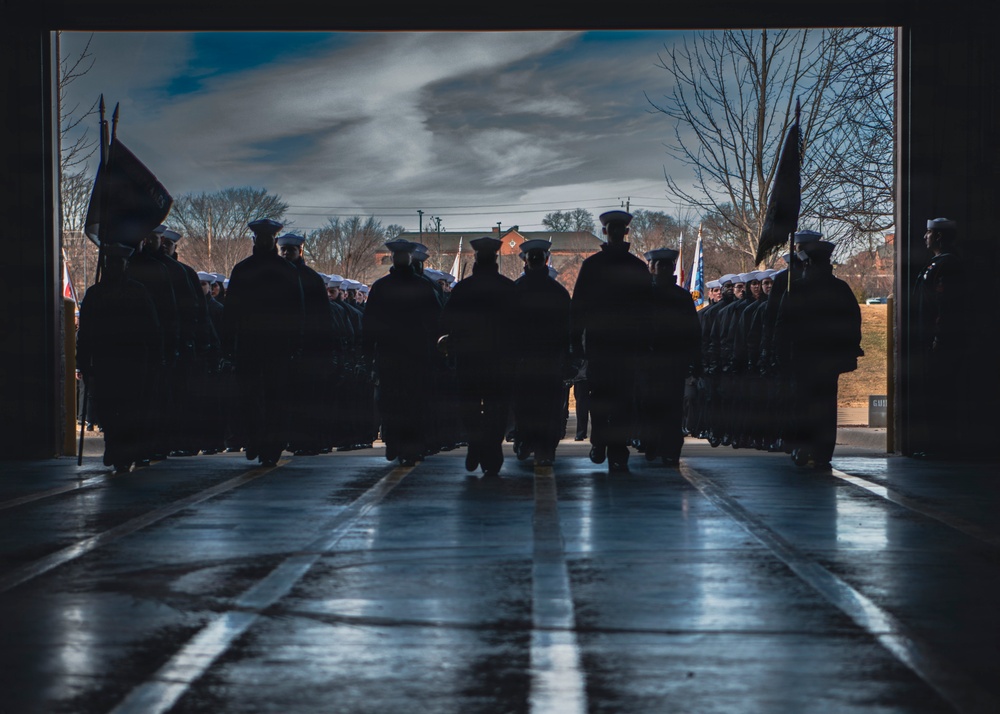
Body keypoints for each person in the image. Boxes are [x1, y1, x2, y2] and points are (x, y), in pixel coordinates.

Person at [570, 210, 651, 472]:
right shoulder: (593, 266)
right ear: (606, 232)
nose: (616, 233)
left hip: (625, 346)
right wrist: (575, 343)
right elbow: (579, 307)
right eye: (612, 229)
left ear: (624, 232)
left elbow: (646, 312)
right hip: (601, 345)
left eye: (619, 229)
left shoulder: (636, 268)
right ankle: (601, 442)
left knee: (622, 399)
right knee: (600, 397)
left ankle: (616, 446)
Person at [221, 218, 305, 466]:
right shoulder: (242, 269)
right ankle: (256, 439)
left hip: (277, 345)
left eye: (269, 238)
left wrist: (296, 343)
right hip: (249, 344)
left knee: (275, 398)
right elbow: (231, 310)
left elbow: (296, 310)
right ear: (255, 241)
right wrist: (228, 344)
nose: (265, 242)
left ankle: (271, 444)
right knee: (250, 397)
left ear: (274, 241)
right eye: (261, 238)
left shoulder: (287, 270)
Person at [774, 239, 863, 468]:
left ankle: (803, 447)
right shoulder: (840, 289)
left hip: (803, 358)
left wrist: (780, 355)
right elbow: (853, 323)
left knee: (802, 404)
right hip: (828, 360)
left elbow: (782, 327)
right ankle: (823, 451)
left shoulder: (797, 290)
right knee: (826, 406)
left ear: (809, 264)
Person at [77, 243, 163, 473]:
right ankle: (113, 446)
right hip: (107, 360)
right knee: (108, 408)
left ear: (126, 265)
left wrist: (155, 357)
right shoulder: (95, 294)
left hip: (134, 360)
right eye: (112, 263)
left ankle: (125, 450)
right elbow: (85, 332)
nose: (116, 267)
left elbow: (152, 329)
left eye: (120, 263)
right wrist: (83, 360)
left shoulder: (138, 292)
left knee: (130, 409)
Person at [440, 235, 516, 478]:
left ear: (475, 259)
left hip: (469, 359)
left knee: (469, 407)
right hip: (500, 360)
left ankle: (475, 443)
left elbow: (445, 323)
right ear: (495, 258)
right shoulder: (508, 288)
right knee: (498, 408)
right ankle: (492, 450)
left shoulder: (463, 289)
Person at [362, 240, 443, 466]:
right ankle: (396, 442)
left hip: (415, 353)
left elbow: (437, 322)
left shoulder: (420, 286)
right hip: (392, 353)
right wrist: (368, 354)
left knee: (414, 402)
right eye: (397, 255)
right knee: (392, 402)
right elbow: (370, 324)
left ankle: (412, 445)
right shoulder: (383, 286)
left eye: (404, 255)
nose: (401, 259)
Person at [511, 239, 573, 466]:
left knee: (525, 403)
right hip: (550, 358)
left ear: (526, 262)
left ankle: (526, 441)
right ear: (546, 261)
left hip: (525, 359)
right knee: (548, 405)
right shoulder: (558, 292)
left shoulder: (516, 290)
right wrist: (570, 357)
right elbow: (569, 329)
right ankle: (545, 447)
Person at [639, 247, 702, 465]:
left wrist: (693, 361)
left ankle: (671, 450)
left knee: (673, 409)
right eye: (659, 266)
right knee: (648, 405)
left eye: (667, 266)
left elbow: (693, 331)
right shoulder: (643, 295)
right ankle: (651, 443)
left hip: (674, 361)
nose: (663, 269)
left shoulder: (682, 297)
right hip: (648, 361)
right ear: (651, 268)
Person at [912, 217, 967, 458]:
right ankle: (935, 444)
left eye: (928, 233)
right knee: (932, 394)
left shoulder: (948, 266)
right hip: (930, 340)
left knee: (940, 395)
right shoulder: (936, 264)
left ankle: (943, 447)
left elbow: (947, 307)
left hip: (941, 343)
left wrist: (939, 338)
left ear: (939, 237)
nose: (925, 237)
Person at [277, 233, 337, 456]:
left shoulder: (310, 277)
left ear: (299, 252)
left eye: (290, 251)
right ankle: (290, 439)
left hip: (309, 349)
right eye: (283, 250)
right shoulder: (274, 277)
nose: (286, 254)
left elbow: (322, 315)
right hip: (282, 347)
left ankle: (308, 440)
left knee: (308, 398)